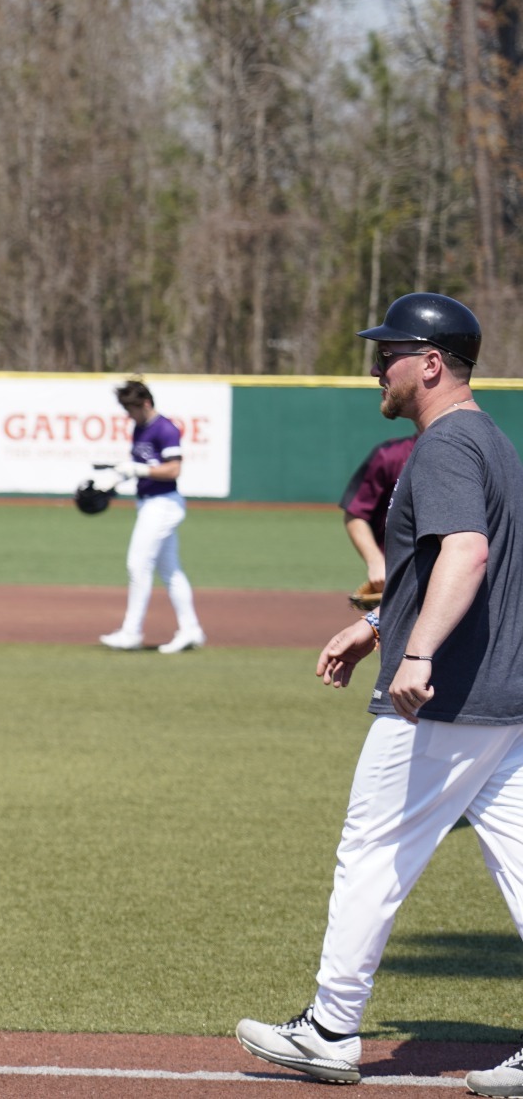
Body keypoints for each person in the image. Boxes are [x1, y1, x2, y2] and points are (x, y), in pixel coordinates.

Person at [236, 293, 523, 1097]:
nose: (375, 364)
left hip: (448, 697)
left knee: (372, 851)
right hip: (503, 695)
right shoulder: (491, 440)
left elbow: (465, 554)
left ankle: (331, 1027)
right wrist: (375, 627)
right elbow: (445, 567)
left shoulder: (445, 447)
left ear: (431, 363)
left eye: (389, 351)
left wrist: (418, 650)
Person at [97, 379, 205, 653]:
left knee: (138, 565)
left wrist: (137, 470)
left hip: (164, 504)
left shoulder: (165, 429)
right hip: (148, 503)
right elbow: (141, 467)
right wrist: (115, 478)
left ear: (146, 403)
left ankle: (131, 632)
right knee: (170, 570)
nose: (128, 415)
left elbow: (173, 470)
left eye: (131, 408)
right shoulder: (140, 428)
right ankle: (191, 629)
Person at [342, 435, 417, 587]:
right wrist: (375, 561)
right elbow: (355, 513)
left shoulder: (469, 455)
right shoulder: (391, 455)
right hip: (398, 578)